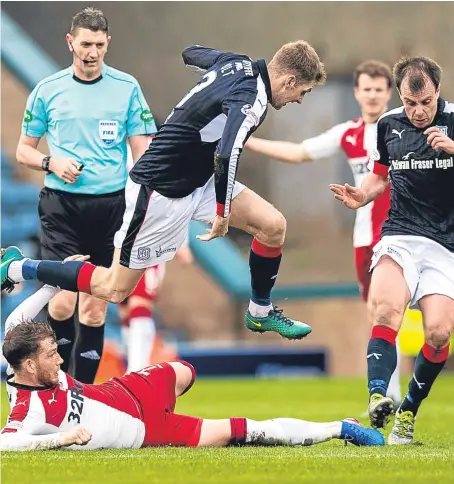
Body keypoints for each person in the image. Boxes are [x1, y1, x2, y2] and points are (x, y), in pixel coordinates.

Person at [3, 41, 328, 340]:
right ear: (288, 80)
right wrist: (222, 212)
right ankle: (19, 267)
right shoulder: (252, 99)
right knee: (114, 289)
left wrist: (211, 84)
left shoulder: (235, 63)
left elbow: (192, 52)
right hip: (159, 191)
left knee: (273, 226)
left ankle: (259, 312)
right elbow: (227, 153)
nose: (299, 99)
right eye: (303, 91)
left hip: (194, 180)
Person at [0, 283, 385, 451]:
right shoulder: (25, 409)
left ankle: (173, 395)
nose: (60, 358)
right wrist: (61, 439)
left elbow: (13, 322)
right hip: (148, 431)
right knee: (245, 431)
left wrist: (51, 286)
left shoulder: (18, 352)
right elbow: (7, 444)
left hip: (131, 388)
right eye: (52, 354)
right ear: (29, 364)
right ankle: (343, 429)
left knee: (184, 370)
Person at [245, 60, 402, 406]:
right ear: (357, 93)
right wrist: (250, 142)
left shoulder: (406, 128)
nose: (373, 96)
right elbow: (301, 152)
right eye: (367, 89)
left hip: (405, 233)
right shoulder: (349, 133)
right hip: (365, 238)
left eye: (379, 89)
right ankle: (386, 395)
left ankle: (388, 393)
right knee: (378, 313)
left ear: (389, 93)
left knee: (397, 310)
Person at [14, 7, 156, 383]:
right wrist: (51, 162)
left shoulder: (127, 88)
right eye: (84, 44)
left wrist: (143, 197)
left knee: (95, 307)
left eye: (98, 45)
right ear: (70, 43)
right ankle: (58, 386)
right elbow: (23, 151)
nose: (91, 52)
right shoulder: (48, 90)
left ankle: (85, 395)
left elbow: (143, 151)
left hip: (111, 209)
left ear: (107, 43)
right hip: (61, 207)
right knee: (61, 300)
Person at [329, 56, 454, 444]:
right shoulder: (389, 125)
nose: (418, 112)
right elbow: (380, 175)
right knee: (384, 307)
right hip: (399, 235)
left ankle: (408, 414)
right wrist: (361, 194)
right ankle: (378, 396)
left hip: (445, 245)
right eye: (410, 103)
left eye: (427, 103)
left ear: (438, 92)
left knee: (438, 333)